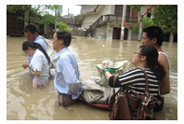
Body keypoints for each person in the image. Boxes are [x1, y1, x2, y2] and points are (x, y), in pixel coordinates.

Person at [102, 45, 166, 111]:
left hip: (133, 109)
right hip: (145, 109)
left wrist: (105, 69)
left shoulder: (138, 72)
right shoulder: (154, 74)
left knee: (91, 84)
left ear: (143, 58)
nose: (133, 55)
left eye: (136, 53)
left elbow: (112, 81)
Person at [141, 26, 170, 111]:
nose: (142, 41)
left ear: (154, 40)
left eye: (144, 38)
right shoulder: (152, 55)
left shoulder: (160, 58)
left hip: (153, 102)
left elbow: (165, 89)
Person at [52, 30, 82, 107]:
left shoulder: (64, 58)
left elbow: (72, 81)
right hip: (69, 96)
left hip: (66, 98)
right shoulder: (68, 54)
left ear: (61, 41)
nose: (52, 41)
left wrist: (75, 94)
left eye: (54, 38)